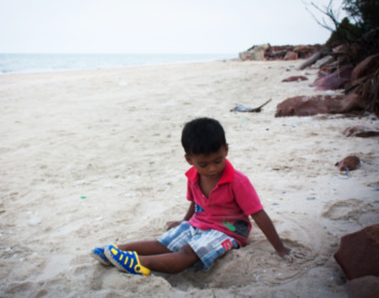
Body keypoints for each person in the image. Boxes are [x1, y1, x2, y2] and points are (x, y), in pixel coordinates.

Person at [91, 117, 291, 276]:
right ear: (189, 160)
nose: (212, 169)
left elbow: (258, 214)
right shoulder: (194, 176)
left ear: (226, 150)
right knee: (164, 243)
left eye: (218, 161)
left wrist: (280, 248)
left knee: (187, 253)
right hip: (199, 222)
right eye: (203, 164)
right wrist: (184, 222)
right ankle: (115, 251)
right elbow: (196, 203)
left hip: (227, 230)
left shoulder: (238, 181)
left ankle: (139, 263)